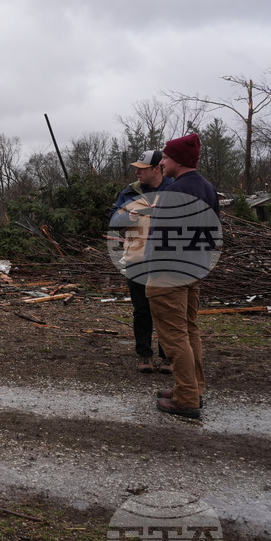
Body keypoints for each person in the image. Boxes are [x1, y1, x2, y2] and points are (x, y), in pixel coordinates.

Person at [146, 133, 220, 419]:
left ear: (179, 160)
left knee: (174, 337)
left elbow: (161, 239)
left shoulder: (174, 193)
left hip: (169, 275)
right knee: (190, 331)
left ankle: (186, 399)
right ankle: (192, 389)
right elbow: (212, 235)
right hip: (193, 271)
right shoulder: (207, 188)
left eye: (165, 157)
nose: (162, 162)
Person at [109, 149, 174, 373]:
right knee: (142, 310)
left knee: (166, 311)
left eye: (142, 168)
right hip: (136, 259)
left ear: (157, 169)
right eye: (136, 168)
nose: (137, 172)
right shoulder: (129, 193)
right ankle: (144, 355)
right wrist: (128, 216)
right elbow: (113, 219)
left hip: (167, 260)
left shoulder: (175, 189)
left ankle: (168, 357)